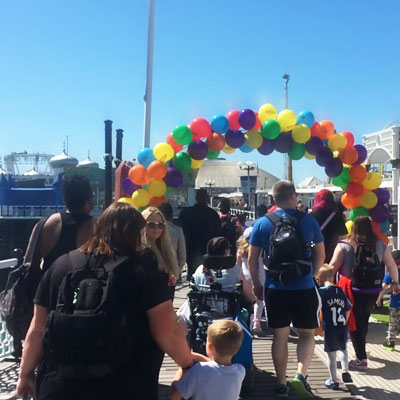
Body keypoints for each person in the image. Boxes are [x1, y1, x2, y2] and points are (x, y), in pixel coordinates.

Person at [16, 202, 195, 400]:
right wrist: (187, 364)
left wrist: (25, 374)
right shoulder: (142, 271)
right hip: (125, 385)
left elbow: (37, 329)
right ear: (137, 233)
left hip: (60, 384)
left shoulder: (61, 265)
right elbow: (166, 332)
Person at [248, 180, 325, 398]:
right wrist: (312, 273)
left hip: (275, 287)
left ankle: (281, 383)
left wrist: (256, 284)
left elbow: (253, 259)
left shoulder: (262, 223)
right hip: (303, 287)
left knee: (280, 336)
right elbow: (321, 255)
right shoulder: (308, 221)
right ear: (293, 196)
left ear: (273, 198)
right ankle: (300, 375)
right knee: (307, 333)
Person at [330, 216, 399, 369]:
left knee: (354, 322)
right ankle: (360, 352)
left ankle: (361, 358)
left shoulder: (345, 245)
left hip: (351, 289)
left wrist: (326, 282)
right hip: (373, 289)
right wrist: (395, 283)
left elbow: (333, 266)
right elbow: (392, 266)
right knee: (363, 320)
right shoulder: (380, 245)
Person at [171, 320, 245, 400]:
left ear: (209, 346)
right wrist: (193, 355)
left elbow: (174, 395)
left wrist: (182, 369)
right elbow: (218, 367)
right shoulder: (240, 371)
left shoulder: (198, 370)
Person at [34, 174, 95, 271]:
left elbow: (28, 263)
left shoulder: (45, 223)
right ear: (89, 199)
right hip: (80, 285)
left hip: (48, 283)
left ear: (65, 198)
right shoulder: (96, 227)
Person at [316, 265, 352, 390]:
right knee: (343, 349)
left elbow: (317, 308)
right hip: (342, 326)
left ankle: (333, 381)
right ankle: (345, 370)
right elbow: (348, 307)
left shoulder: (322, 292)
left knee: (331, 356)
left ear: (319, 278)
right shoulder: (340, 291)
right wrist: (345, 321)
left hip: (330, 327)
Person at [192, 236, 255, 303]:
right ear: (226, 251)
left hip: (203, 309)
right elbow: (250, 296)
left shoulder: (199, 270)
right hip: (228, 310)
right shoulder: (235, 270)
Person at [179, 189, 222, 279]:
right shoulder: (213, 214)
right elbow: (218, 235)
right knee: (208, 277)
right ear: (207, 198)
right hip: (208, 251)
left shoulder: (186, 213)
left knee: (192, 276)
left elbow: (182, 232)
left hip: (191, 250)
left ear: (196, 198)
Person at [142, 207, 179, 300]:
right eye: (151, 225)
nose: (156, 228)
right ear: (142, 226)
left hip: (166, 302)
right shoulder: (143, 252)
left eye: (160, 225)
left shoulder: (166, 249)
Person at [237, 227, 265, 333]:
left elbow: (238, 265)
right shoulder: (261, 248)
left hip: (245, 275)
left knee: (248, 300)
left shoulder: (241, 250)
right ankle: (256, 322)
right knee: (259, 300)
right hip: (260, 274)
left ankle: (248, 321)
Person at [310, 189, 347, 263]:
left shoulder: (310, 216)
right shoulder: (336, 216)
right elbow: (342, 237)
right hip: (331, 255)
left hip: (314, 254)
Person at [376, 249, 400, 351]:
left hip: (395, 304)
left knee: (393, 323)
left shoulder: (390, 274)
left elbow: (383, 287)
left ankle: (390, 342)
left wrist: (378, 298)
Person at [158, 202, 187, 274]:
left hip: (155, 270)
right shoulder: (178, 230)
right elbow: (182, 256)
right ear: (171, 216)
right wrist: (177, 271)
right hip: (172, 271)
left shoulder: (152, 229)